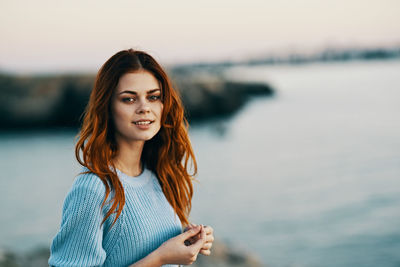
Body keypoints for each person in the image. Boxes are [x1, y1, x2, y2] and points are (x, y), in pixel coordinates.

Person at [48, 49, 214, 267]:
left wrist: (185, 239)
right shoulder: (92, 189)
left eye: (153, 97)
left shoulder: (157, 175)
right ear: (107, 107)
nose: (144, 108)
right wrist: (161, 257)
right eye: (129, 99)